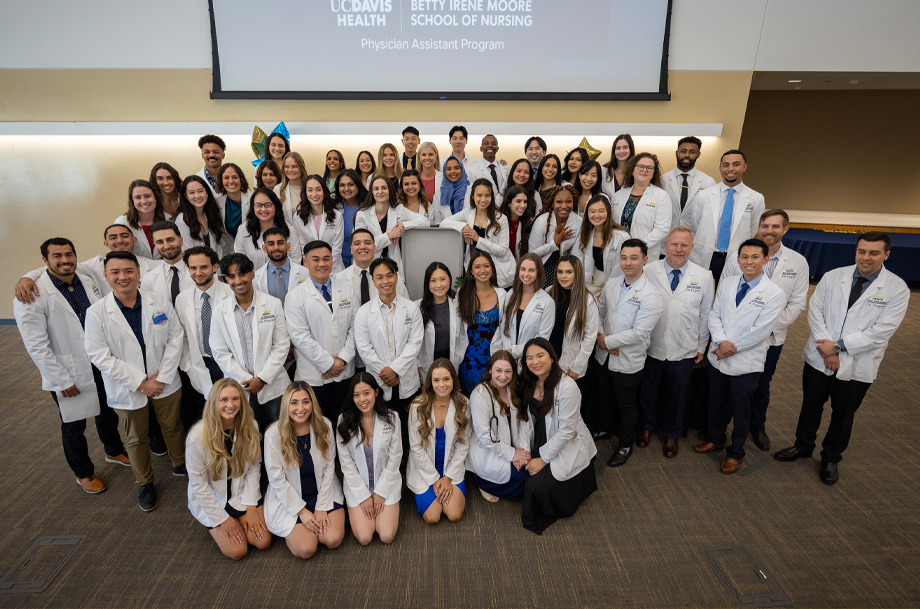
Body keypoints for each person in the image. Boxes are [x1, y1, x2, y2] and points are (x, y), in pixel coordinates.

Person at [774, 232, 910, 485]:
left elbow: (882, 331)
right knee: (810, 406)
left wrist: (838, 348)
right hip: (819, 355)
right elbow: (816, 312)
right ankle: (803, 446)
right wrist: (827, 348)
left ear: (886, 255)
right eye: (862, 251)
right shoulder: (834, 276)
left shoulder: (896, 288)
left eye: (874, 253)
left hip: (857, 363)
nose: (866, 257)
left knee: (844, 414)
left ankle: (831, 457)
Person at [14, 238, 128, 495]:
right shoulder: (32, 293)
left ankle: (113, 450)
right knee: (74, 424)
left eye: (69, 254)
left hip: (99, 361)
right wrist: (60, 380)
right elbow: (36, 345)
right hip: (68, 369)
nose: (64, 260)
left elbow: (101, 260)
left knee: (107, 411)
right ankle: (83, 472)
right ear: (45, 260)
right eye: (57, 256)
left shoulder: (86, 276)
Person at [83, 251, 186, 512]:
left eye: (129, 271)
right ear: (106, 276)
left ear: (139, 273)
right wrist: (141, 383)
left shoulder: (158, 301)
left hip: (165, 380)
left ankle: (180, 463)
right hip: (127, 388)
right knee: (135, 438)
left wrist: (161, 377)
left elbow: (175, 337)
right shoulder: (97, 313)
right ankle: (145, 482)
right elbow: (99, 355)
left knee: (172, 426)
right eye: (115, 272)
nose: (123, 277)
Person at [693, 239, 785, 475]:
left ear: (765, 260)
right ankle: (716, 438)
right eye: (744, 257)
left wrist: (729, 347)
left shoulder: (774, 294)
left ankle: (736, 452)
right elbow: (714, 315)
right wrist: (722, 341)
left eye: (755, 257)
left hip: (746, 362)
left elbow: (761, 331)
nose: (749, 262)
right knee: (716, 402)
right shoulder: (727, 283)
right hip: (719, 357)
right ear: (738, 259)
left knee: (741, 409)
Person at [721, 210, 809, 450]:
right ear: (759, 226)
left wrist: (766, 328)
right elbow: (725, 295)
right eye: (765, 225)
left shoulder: (798, 262)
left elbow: (797, 303)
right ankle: (720, 429)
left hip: (772, 338)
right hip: (733, 337)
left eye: (775, 227)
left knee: (761, 383)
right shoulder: (736, 257)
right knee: (729, 383)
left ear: (785, 229)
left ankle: (757, 426)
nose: (769, 231)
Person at [639, 227, 714, 458]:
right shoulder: (648, 270)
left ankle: (672, 434)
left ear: (692, 248)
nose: (678, 250)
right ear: (665, 246)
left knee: (678, 394)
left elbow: (706, 314)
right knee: (648, 391)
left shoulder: (704, 276)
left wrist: (701, 346)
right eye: (674, 244)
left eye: (684, 245)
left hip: (685, 346)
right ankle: (646, 427)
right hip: (651, 344)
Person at [595, 239, 664, 466]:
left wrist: (608, 341)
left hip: (627, 359)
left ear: (645, 260)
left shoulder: (651, 294)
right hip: (605, 354)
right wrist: (600, 338)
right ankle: (604, 429)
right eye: (624, 258)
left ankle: (625, 445)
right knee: (604, 397)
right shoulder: (612, 284)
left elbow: (640, 332)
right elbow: (599, 312)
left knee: (627, 405)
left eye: (634, 258)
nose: (628, 263)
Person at [519, 338, 597, 534]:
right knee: (519, 474)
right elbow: (525, 421)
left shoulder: (567, 387)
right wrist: (524, 450)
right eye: (529, 358)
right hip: (538, 437)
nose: (535, 362)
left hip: (563, 442)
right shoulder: (529, 382)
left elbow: (567, 431)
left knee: (536, 488)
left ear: (552, 358)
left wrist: (543, 460)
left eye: (540, 356)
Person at [185, 378, 268, 560]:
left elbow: (254, 467)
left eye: (235, 399)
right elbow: (199, 485)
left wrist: (252, 507)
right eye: (224, 400)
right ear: (214, 402)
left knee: (263, 541)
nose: (230, 405)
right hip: (214, 499)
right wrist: (223, 520)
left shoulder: (250, 426)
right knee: (237, 552)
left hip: (240, 494)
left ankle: (241, 517)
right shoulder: (197, 437)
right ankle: (227, 522)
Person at [209, 253, 290, 432]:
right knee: (249, 438)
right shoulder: (219, 311)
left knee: (280, 434)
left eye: (242, 274)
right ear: (225, 279)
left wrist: (262, 378)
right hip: (240, 386)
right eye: (231, 276)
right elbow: (219, 351)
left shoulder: (273, 304)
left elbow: (282, 345)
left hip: (273, 384)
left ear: (252, 274)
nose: (238, 280)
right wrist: (246, 380)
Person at [264, 381, 346, 558]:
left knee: (332, 539)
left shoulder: (324, 425)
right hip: (289, 498)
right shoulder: (273, 434)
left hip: (322, 491)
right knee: (306, 549)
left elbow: (330, 466)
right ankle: (299, 530)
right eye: (294, 403)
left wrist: (322, 506)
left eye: (305, 401)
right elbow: (277, 480)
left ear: (312, 403)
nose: (300, 408)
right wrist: (302, 512)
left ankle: (311, 527)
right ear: (286, 405)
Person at [353, 258, 425, 449]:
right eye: (379, 277)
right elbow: (364, 348)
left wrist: (395, 370)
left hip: (405, 378)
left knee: (408, 426)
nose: (385, 281)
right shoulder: (364, 312)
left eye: (389, 275)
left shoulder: (411, 309)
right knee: (383, 428)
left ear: (396, 276)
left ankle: (406, 465)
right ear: (373, 280)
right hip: (379, 379)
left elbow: (415, 342)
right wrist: (385, 372)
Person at [285, 240, 358, 426]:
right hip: (314, 376)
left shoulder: (346, 289)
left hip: (344, 372)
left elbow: (357, 327)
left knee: (344, 422)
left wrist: (341, 360)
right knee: (316, 425)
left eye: (326, 259)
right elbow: (300, 337)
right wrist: (328, 364)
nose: (322, 264)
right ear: (305, 262)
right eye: (315, 259)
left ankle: (341, 457)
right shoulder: (295, 296)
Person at [15, 223, 161, 303]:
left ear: (134, 240)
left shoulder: (154, 265)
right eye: (113, 237)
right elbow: (61, 266)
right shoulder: (94, 265)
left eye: (124, 236)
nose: (120, 240)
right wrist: (27, 277)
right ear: (106, 243)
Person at [336, 373, 402, 545]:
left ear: (376, 392)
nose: (362, 399)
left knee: (386, 536)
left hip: (385, 483)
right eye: (356, 395)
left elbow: (395, 458)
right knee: (365, 537)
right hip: (359, 486)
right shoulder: (343, 421)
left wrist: (381, 492)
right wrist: (364, 497)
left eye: (366, 393)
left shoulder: (392, 418)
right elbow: (346, 465)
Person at [174, 246, 234, 431]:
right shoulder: (182, 299)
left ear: (215, 267)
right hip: (200, 362)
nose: (198, 273)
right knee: (204, 419)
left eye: (204, 267)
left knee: (231, 414)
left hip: (227, 363)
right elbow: (182, 336)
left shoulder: (231, 293)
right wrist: (188, 364)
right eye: (193, 268)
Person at [407, 360, 470, 523]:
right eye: (436, 380)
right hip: (425, 468)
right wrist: (435, 480)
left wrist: (448, 478)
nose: (441, 384)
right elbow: (416, 448)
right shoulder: (417, 407)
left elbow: (463, 445)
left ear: (454, 380)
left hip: (450, 466)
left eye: (446, 379)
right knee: (433, 517)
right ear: (430, 382)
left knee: (454, 515)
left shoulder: (463, 404)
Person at [688, 149, 765, 284]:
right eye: (726, 165)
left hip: (735, 256)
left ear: (744, 167)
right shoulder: (704, 195)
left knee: (728, 294)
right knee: (700, 293)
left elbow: (753, 229)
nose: (730, 169)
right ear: (720, 168)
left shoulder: (756, 198)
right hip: (706, 255)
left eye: (736, 164)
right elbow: (695, 224)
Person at [466, 351, 532, 502]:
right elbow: (484, 436)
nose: (503, 376)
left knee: (530, 469)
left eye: (508, 371)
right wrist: (512, 454)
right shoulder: (480, 394)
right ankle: (484, 484)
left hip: (511, 446)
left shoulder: (514, 390)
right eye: (498, 370)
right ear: (490, 370)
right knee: (524, 480)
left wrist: (523, 453)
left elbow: (523, 423)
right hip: (489, 450)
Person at [441, 178, 515, 288]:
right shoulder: (469, 213)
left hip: (498, 269)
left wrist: (478, 239)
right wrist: (464, 227)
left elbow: (503, 250)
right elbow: (444, 222)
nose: (483, 199)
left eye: (487, 195)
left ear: (492, 197)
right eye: (479, 195)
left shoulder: (501, 218)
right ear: (473, 196)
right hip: (477, 269)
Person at [456, 251, 508, 395]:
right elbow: (457, 327)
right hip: (468, 359)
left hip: (494, 357)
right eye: (477, 267)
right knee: (470, 400)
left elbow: (506, 328)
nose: (482, 270)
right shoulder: (463, 293)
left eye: (486, 266)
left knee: (492, 398)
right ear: (471, 271)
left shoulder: (502, 295)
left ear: (492, 269)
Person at [354, 175, 427, 272]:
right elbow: (363, 246)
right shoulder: (362, 215)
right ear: (372, 192)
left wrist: (402, 226)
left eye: (384, 188)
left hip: (392, 266)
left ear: (390, 190)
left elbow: (425, 222)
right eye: (376, 189)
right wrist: (390, 236)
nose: (380, 192)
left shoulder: (398, 210)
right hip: (369, 266)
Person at [610, 152, 671, 260]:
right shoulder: (618, 196)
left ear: (654, 173)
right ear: (632, 170)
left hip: (646, 253)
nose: (644, 170)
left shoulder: (661, 196)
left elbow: (662, 229)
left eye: (650, 168)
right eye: (640, 166)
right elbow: (611, 225)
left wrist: (638, 247)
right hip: (617, 251)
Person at [548, 256, 598, 385]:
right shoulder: (549, 292)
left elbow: (590, 337)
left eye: (569, 272)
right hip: (548, 358)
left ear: (577, 274)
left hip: (570, 362)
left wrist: (576, 367)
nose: (563, 276)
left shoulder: (587, 300)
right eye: (560, 272)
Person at [498, 254, 555, 359]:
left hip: (531, 358)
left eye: (531, 270)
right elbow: (504, 326)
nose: (526, 274)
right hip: (508, 356)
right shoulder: (511, 293)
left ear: (538, 272)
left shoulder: (547, 302)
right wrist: (508, 351)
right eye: (523, 269)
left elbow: (542, 338)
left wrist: (513, 352)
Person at [336, 228, 410, 308]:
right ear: (351, 250)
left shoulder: (391, 276)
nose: (362, 247)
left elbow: (406, 306)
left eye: (367, 243)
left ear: (374, 248)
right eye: (357, 243)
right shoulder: (340, 278)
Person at [573, 195, 630, 296]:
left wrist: (604, 294)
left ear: (608, 212)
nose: (596, 215)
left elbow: (619, 270)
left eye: (601, 211)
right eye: (592, 211)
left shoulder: (621, 237)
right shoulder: (587, 234)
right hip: (592, 282)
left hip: (614, 285)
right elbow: (578, 260)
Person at [234, 187, 302, 269]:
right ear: (253, 207)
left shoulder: (289, 230)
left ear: (275, 206)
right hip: (253, 279)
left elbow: (296, 260)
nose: (263, 209)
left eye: (268, 205)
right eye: (258, 205)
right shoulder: (243, 230)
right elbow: (240, 261)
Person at [529, 184, 582, 288]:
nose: (564, 206)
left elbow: (577, 256)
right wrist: (555, 243)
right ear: (552, 204)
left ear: (573, 202)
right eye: (559, 202)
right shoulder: (541, 222)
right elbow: (532, 254)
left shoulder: (579, 222)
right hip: (543, 267)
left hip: (566, 268)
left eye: (568, 201)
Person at [416, 262, 463, 378]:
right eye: (433, 281)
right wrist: (416, 365)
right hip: (426, 366)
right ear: (427, 283)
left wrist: (460, 357)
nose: (439, 285)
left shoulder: (458, 305)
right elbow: (412, 341)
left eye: (443, 279)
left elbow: (463, 336)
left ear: (449, 280)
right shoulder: (417, 308)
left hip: (452, 363)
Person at [291, 175, 345, 272]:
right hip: (311, 269)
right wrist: (314, 267)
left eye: (318, 189)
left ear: (324, 191)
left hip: (334, 268)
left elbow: (337, 248)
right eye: (310, 190)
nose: (314, 194)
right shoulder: (298, 217)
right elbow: (303, 246)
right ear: (305, 192)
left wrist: (326, 267)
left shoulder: (337, 216)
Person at [662, 136, 716, 229]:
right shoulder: (662, 180)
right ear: (676, 153)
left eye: (692, 152)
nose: (687, 155)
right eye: (683, 151)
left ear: (698, 154)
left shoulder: (708, 182)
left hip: (694, 235)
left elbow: (712, 214)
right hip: (667, 234)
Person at [175, 175, 231, 258]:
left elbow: (223, 246)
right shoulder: (182, 221)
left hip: (218, 266)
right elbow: (188, 253)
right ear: (186, 196)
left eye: (200, 191)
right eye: (191, 192)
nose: (197, 196)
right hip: (198, 267)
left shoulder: (212, 213)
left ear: (207, 192)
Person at [144, 221, 194, 307]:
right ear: (155, 245)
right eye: (160, 242)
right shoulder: (149, 279)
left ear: (181, 241)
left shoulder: (200, 270)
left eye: (170, 240)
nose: (166, 246)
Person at [115, 179, 167, 260]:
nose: (144, 201)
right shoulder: (122, 223)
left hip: (163, 269)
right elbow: (118, 252)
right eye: (138, 197)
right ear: (132, 201)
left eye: (147, 196)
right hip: (134, 269)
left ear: (155, 197)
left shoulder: (168, 219)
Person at [252, 228, 309, 301]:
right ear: (264, 248)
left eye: (280, 243)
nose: (276, 247)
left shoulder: (305, 273)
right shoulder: (256, 278)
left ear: (288, 246)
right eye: (271, 244)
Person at [334, 168, 369, 268]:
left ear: (358, 185)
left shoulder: (368, 207)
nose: (346, 189)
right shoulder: (333, 209)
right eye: (342, 185)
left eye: (350, 184)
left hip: (363, 259)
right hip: (338, 261)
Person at [215, 162, 252, 239]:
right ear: (221, 181)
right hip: (227, 248)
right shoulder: (217, 202)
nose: (231, 181)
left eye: (235, 177)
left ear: (241, 179)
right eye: (226, 178)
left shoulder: (252, 199)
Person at [499, 184, 535, 261]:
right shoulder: (498, 222)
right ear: (509, 203)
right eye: (518, 201)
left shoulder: (528, 224)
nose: (522, 205)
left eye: (525, 202)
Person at [601, 133, 634, 199]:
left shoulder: (636, 172)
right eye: (618, 148)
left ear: (631, 149)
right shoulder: (603, 170)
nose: (621, 151)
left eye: (625, 147)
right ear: (614, 151)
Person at [279, 151, 308, 224]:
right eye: (287, 167)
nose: (290, 170)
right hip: (287, 233)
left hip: (308, 233)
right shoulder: (278, 189)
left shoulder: (310, 187)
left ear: (301, 168)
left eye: (294, 166)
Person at [417, 141, 441, 206]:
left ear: (436, 156)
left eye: (430, 154)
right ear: (419, 157)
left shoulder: (443, 179)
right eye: (424, 155)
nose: (427, 158)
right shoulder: (415, 179)